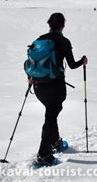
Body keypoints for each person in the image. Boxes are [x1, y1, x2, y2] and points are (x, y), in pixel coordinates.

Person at [31, 13, 87, 166]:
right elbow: (73, 64)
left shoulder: (40, 39)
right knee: (50, 117)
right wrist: (83, 61)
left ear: (49, 24)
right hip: (55, 86)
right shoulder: (63, 41)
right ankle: (44, 155)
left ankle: (55, 143)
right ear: (63, 25)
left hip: (38, 85)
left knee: (51, 112)